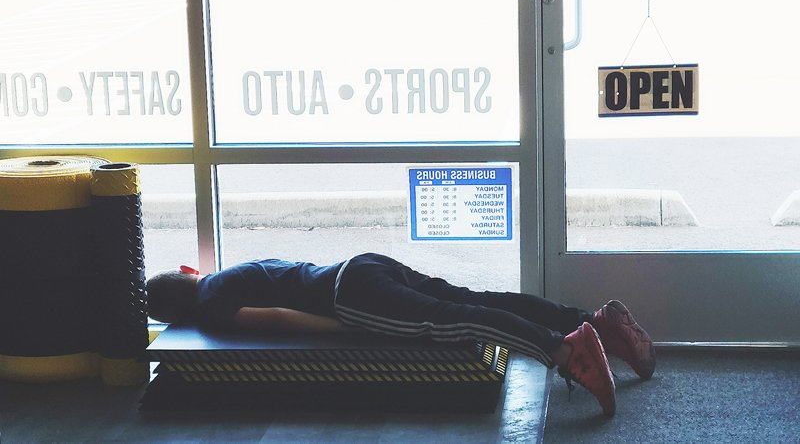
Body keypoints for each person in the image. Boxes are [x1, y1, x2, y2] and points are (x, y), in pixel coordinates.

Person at [146, 252, 656, 417]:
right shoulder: (225, 274)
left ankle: (567, 352)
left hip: (351, 299)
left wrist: (345, 327)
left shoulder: (211, 309)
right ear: (190, 270)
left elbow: (277, 317)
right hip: (362, 265)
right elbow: (282, 290)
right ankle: (594, 323)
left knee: (454, 321)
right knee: (476, 301)